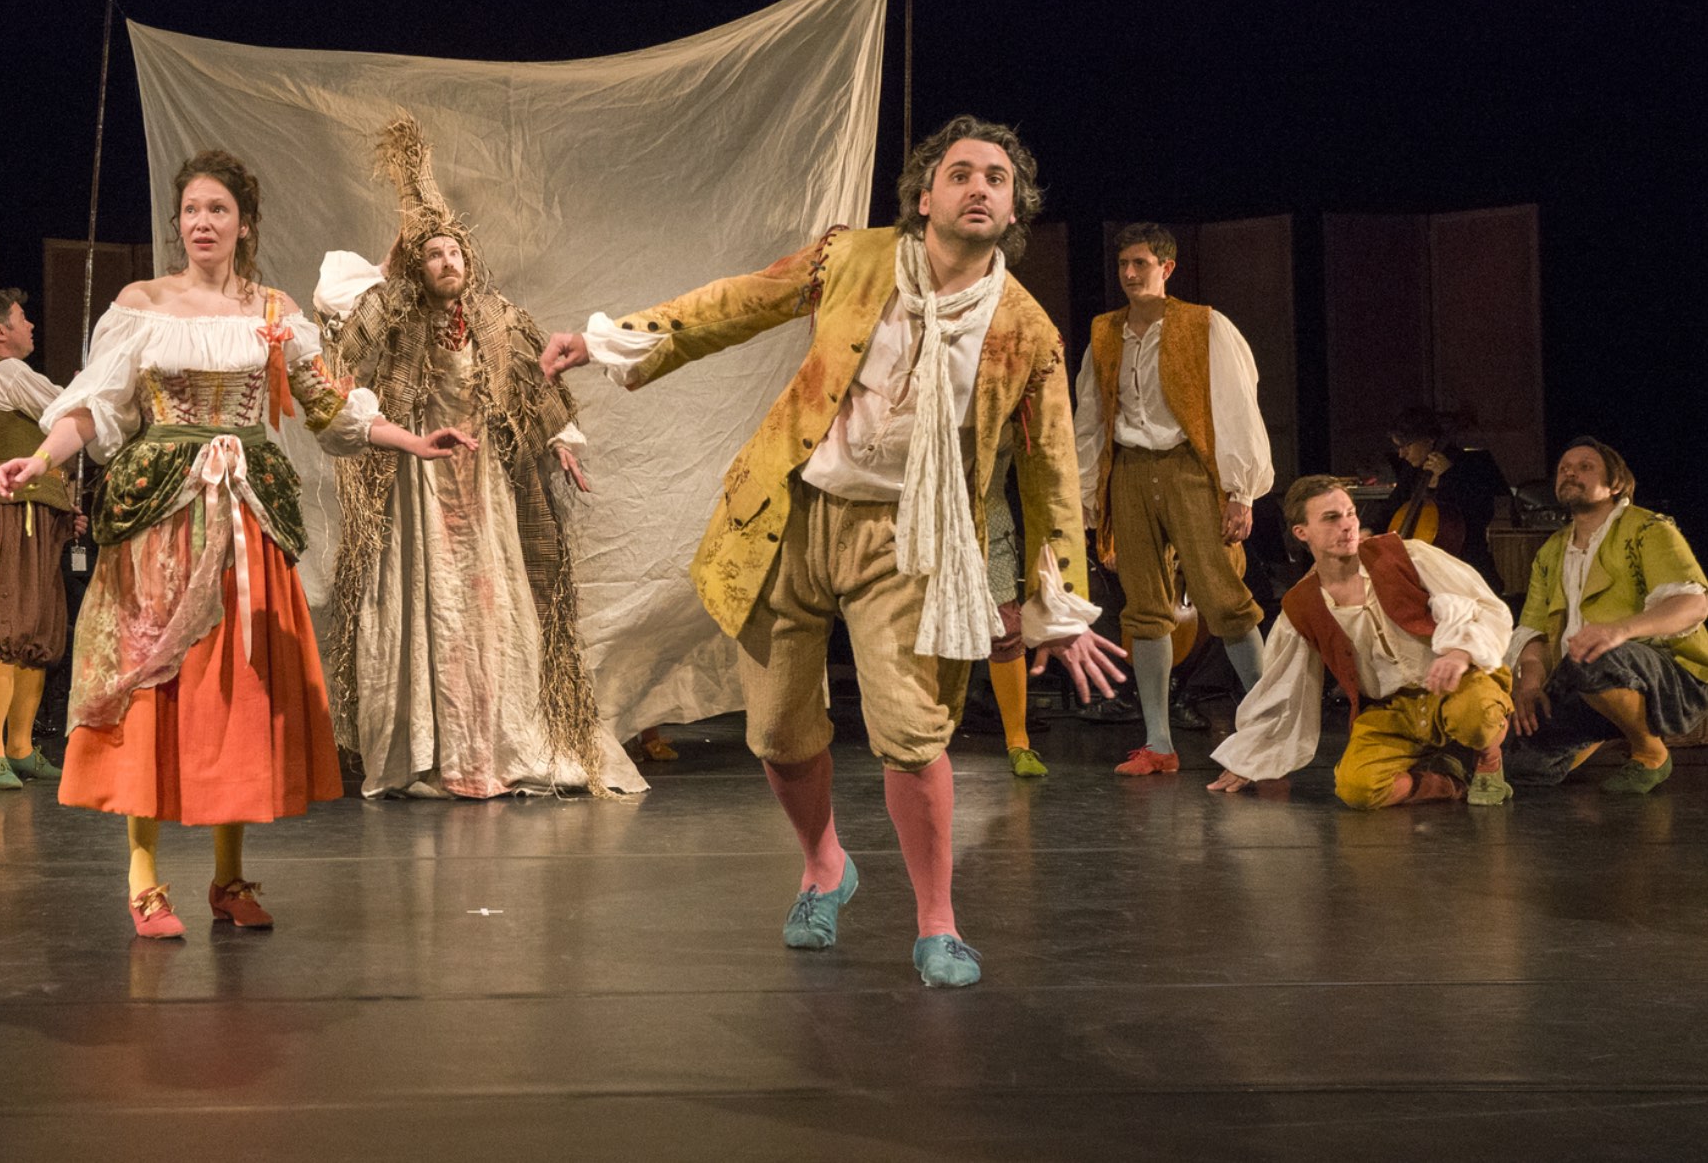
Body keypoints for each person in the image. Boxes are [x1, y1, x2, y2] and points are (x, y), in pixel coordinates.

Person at [541, 115, 1127, 988]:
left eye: (996, 179)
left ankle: (937, 923)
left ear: (1014, 210)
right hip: (792, 514)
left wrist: (1060, 607)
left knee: (915, 739)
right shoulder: (853, 259)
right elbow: (739, 303)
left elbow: (1050, 475)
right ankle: (824, 864)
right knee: (778, 734)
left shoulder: (1026, 330)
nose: (978, 187)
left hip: (913, 541)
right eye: (960, 173)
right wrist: (610, 340)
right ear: (924, 196)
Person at [0, 149, 471, 939]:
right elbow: (95, 408)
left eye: (217, 210)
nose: (202, 223)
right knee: (153, 683)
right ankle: (145, 879)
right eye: (191, 211)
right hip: (163, 518)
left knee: (235, 693)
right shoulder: (142, 304)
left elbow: (328, 405)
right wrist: (39, 459)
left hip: (246, 516)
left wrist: (412, 440)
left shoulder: (274, 311)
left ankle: (229, 879)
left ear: (243, 223)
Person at [314, 114, 643, 799]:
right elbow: (344, 332)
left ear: (469, 261)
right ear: (417, 266)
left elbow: (530, 380)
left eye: (453, 254)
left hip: (484, 487)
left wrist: (561, 443)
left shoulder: (496, 318)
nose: (446, 263)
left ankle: (493, 744)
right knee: (427, 600)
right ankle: (430, 749)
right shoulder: (396, 318)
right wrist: (394, 254)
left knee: (490, 603)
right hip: (419, 483)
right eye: (431, 256)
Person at [1074, 222, 1272, 776]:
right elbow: (1090, 415)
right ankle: (1159, 743)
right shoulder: (1106, 332)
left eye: (1141, 264)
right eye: (1123, 266)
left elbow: (1237, 405)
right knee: (1145, 609)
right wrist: (1089, 498)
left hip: (1190, 471)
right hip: (1130, 472)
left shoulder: (1202, 325)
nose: (1131, 274)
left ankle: (1265, 732)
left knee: (1224, 598)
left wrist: (1241, 490)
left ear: (1167, 267)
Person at [1208, 476, 1514, 807]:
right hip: (1392, 710)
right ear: (1302, 532)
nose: (1347, 526)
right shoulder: (1302, 606)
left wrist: (1459, 652)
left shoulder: (1405, 555)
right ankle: (1448, 783)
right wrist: (1250, 759)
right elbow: (1284, 688)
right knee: (1357, 788)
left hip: (1454, 685)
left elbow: (1482, 606)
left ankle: (1489, 760)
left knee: (1477, 715)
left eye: (1350, 513)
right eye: (1331, 518)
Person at [1501, 438, 1708, 793]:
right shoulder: (1550, 553)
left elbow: (1692, 604)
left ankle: (1649, 751)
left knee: (1594, 656)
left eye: (1585, 467)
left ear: (1615, 484)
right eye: (1565, 468)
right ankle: (1610, 721)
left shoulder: (1648, 529)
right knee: (1515, 765)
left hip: (1669, 680)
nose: (1571, 473)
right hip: (1584, 676)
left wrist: (1618, 631)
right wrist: (1531, 683)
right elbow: (1533, 630)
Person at [0, 288, 72, 789]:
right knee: (5, 629)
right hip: (5, 510)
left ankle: (22, 747)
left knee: (35, 635)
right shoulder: (5, 372)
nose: (32, 327)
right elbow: (64, 408)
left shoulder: (10, 372)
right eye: (23, 319)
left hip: (33, 509)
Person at [1376, 407, 1510, 592]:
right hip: (1423, 576)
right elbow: (1391, 508)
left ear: (1429, 439)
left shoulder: (1468, 465)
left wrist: (1450, 476)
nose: (1401, 454)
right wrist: (1369, 529)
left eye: (1406, 446)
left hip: (1464, 571)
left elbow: (1482, 513)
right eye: (1398, 447)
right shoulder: (1412, 472)